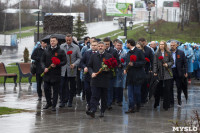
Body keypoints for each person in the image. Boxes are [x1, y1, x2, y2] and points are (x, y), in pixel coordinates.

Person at [86, 41, 112, 118]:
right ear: (97, 47)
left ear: (104, 47)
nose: (100, 47)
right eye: (99, 46)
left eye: (102, 46)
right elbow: (89, 66)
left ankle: (102, 111)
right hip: (95, 79)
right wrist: (91, 73)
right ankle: (93, 110)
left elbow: (112, 67)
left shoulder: (109, 56)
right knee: (94, 95)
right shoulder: (93, 56)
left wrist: (108, 69)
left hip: (104, 79)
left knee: (104, 96)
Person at [41, 36, 67, 111]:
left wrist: (57, 64)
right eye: (51, 41)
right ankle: (49, 102)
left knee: (55, 90)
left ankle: (54, 105)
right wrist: (44, 68)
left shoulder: (61, 51)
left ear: (57, 41)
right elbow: (42, 61)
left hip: (56, 74)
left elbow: (64, 61)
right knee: (46, 89)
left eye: (54, 41)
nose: (52, 42)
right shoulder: (46, 50)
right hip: (47, 74)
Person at [124, 39, 146, 113]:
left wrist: (134, 64)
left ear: (129, 44)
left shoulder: (139, 52)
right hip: (130, 76)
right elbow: (127, 63)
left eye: (126, 43)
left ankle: (138, 105)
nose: (126, 45)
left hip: (137, 75)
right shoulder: (128, 53)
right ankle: (131, 107)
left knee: (137, 92)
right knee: (130, 93)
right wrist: (125, 69)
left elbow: (143, 62)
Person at [61, 34, 81, 107]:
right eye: (67, 40)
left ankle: (70, 100)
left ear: (72, 40)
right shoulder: (61, 46)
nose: (68, 41)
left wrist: (74, 64)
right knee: (63, 85)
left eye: (69, 40)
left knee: (72, 86)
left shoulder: (76, 47)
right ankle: (63, 100)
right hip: (63, 69)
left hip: (72, 69)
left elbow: (79, 58)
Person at [153, 41, 174, 111]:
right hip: (159, 73)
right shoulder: (156, 53)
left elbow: (172, 61)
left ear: (164, 45)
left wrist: (167, 64)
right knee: (158, 89)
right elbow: (155, 63)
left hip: (167, 73)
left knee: (167, 89)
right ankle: (156, 103)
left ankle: (166, 105)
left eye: (162, 44)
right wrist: (155, 72)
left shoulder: (168, 53)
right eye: (160, 44)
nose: (161, 45)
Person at [80, 40, 98, 110]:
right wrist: (84, 67)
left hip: (96, 75)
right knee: (87, 90)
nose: (93, 46)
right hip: (87, 75)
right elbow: (81, 62)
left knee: (94, 91)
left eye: (95, 45)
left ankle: (94, 105)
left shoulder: (99, 54)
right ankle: (89, 103)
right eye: (92, 45)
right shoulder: (87, 53)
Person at [170, 41, 188, 107]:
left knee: (179, 87)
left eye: (173, 45)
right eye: (171, 45)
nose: (172, 46)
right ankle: (171, 102)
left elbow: (185, 63)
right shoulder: (168, 52)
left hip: (178, 72)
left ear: (176, 45)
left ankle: (179, 100)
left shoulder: (181, 52)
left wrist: (186, 72)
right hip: (170, 71)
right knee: (170, 87)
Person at [104, 37, 120, 110]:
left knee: (110, 89)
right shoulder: (101, 50)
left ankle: (109, 103)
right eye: (105, 44)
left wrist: (113, 65)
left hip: (111, 73)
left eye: (108, 44)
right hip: (102, 73)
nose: (106, 45)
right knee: (104, 89)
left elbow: (117, 61)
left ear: (110, 43)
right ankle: (104, 102)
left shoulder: (113, 51)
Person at [138, 38, 154, 104]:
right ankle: (139, 99)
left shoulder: (149, 49)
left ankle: (144, 99)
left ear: (145, 42)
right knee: (139, 85)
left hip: (146, 70)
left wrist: (151, 69)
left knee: (145, 85)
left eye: (143, 42)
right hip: (138, 70)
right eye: (140, 42)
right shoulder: (137, 49)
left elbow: (152, 60)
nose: (142, 43)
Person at [113, 41, 127, 106]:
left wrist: (122, 64)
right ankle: (113, 99)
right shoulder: (112, 51)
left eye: (120, 45)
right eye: (118, 45)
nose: (119, 47)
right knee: (113, 86)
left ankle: (119, 100)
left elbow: (126, 61)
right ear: (115, 45)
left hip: (120, 71)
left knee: (120, 86)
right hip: (113, 70)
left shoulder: (124, 52)